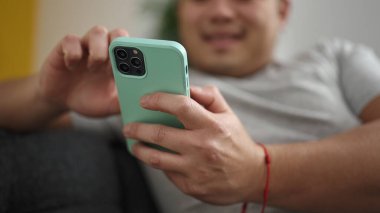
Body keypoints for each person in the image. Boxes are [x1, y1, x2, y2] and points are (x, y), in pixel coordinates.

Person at [1, 0, 380, 212]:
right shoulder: (137, 94)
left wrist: (257, 171)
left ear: (282, 10)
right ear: (181, 12)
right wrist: (47, 96)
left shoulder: (335, 59)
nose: (219, 11)